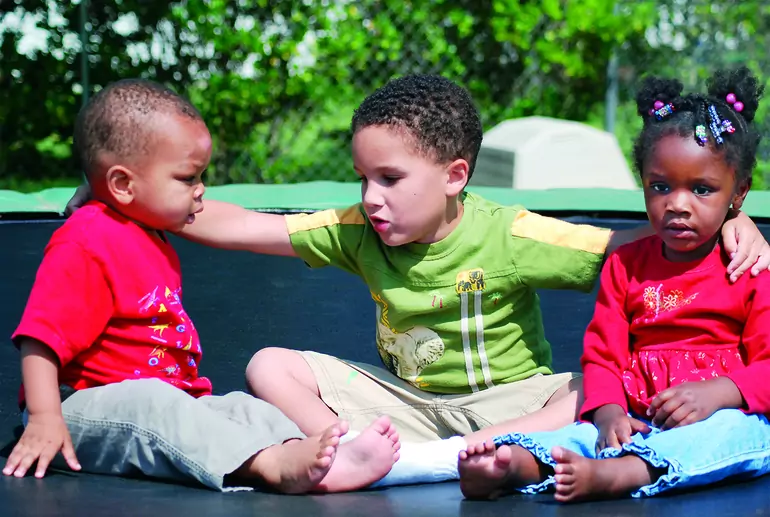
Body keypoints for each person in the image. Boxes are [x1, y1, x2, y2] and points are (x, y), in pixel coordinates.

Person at [63, 74, 770, 487]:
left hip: (511, 402)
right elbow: (245, 225)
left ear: (455, 176)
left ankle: (428, 463)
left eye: (391, 179)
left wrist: (728, 224)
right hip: (404, 404)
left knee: (590, 385)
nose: (372, 196)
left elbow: (630, 250)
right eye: (363, 177)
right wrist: (127, 196)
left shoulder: (508, 232)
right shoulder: (358, 228)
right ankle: (347, 451)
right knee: (267, 364)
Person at [2, 78, 401, 493]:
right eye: (187, 178)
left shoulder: (146, 229)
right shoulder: (86, 239)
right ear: (123, 185)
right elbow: (40, 338)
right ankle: (273, 465)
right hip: (82, 408)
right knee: (154, 406)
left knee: (240, 407)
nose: (201, 189)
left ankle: (306, 452)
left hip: (169, 400)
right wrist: (45, 418)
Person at [458, 66, 770, 502]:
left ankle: (628, 474)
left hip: (716, 416)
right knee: (584, 433)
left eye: (701, 189)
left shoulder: (747, 268)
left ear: (738, 195)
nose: (677, 204)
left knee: (742, 436)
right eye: (660, 186)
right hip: (638, 416)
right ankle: (515, 465)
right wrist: (608, 414)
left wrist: (722, 392)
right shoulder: (626, 265)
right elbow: (603, 356)